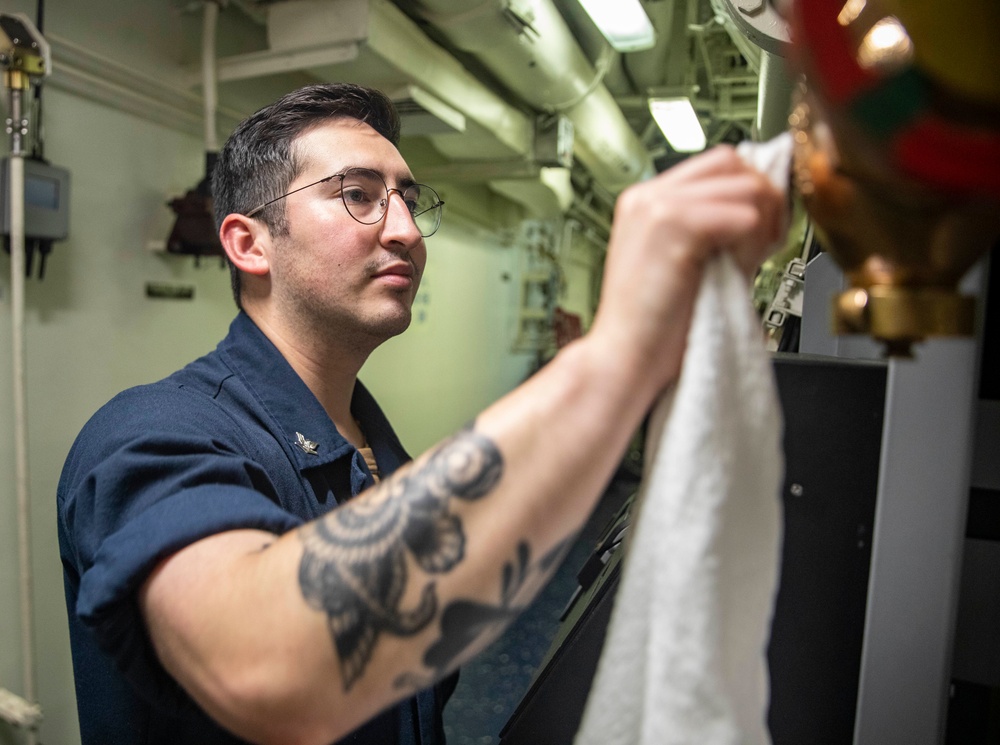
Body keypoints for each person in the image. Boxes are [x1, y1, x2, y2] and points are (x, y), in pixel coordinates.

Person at [57, 82, 784, 745]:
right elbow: (261, 663)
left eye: (407, 198)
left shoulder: (381, 457)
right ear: (250, 244)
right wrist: (616, 354)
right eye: (357, 194)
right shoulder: (151, 435)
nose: (404, 228)